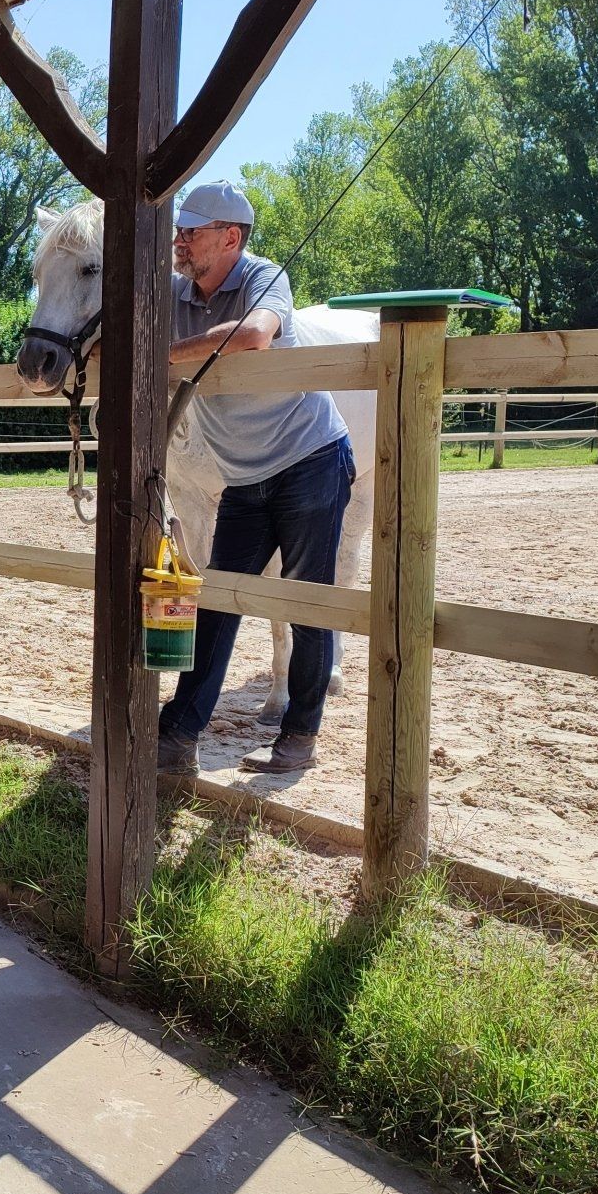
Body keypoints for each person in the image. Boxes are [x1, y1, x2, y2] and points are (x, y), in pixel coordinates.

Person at [155, 181, 357, 777]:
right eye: (180, 230)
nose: (179, 240)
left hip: (309, 460)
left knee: (305, 601)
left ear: (230, 238)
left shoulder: (265, 277)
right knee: (218, 598)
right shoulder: (175, 291)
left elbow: (252, 336)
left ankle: (300, 734)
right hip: (244, 475)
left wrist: (161, 354)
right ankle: (179, 734)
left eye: (192, 231)